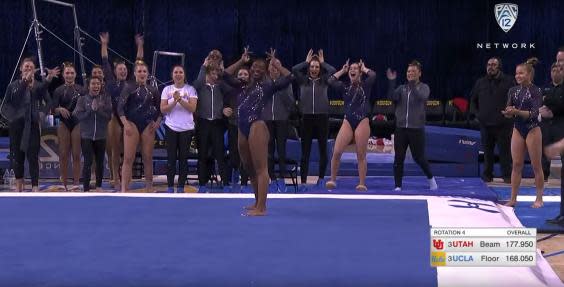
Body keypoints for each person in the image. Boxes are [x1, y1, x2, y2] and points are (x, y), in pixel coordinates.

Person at [224, 47, 292, 216]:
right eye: (253, 67)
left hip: (257, 126)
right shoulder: (241, 85)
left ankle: (262, 207)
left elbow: (291, 77)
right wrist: (241, 61)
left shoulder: (268, 86)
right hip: (242, 127)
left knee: (261, 168)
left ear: (265, 71)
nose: (256, 70)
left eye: (261, 68)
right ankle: (256, 203)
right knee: (249, 168)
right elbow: (224, 74)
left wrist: (276, 63)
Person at [2, 58, 59, 192]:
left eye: (31, 67)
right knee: (17, 156)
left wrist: (42, 114)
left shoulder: (39, 86)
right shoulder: (13, 86)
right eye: (26, 66)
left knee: (33, 156)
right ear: (20, 69)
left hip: (32, 124)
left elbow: (49, 102)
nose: (28, 68)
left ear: (34, 70)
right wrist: (24, 82)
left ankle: (35, 186)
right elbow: (9, 103)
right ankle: (19, 186)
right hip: (17, 126)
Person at [100, 32, 144, 189]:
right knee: (114, 150)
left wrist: (140, 46)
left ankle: (128, 176)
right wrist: (104, 44)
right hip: (114, 118)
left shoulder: (131, 83)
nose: (123, 71)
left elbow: (139, 62)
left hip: (128, 118)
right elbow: (105, 62)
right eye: (120, 69)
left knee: (128, 151)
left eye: (125, 69)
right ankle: (114, 177)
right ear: (115, 70)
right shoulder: (111, 81)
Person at [326, 60, 376, 191]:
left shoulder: (365, 85)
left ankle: (361, 183)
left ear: (359, 73)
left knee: (360, 154)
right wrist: (342, 70)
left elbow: (373, 75)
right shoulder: (345, 87)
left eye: (355, 69)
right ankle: (332, 179)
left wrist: (364, 68)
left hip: (362, 121)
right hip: (348, 121)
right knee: (336, 152)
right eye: (351, 69)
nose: (352, 70)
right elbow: (330, 81)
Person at [388, 61, 438, 191]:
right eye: (408, 71)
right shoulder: (401, 88)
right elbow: (392, 97)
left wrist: (412, 86)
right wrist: (392, 82)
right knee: (398, 158)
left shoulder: (424, 87)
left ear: (419, 73)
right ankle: (398, 186)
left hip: (416, 129)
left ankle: (431, 179)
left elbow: (421, 97)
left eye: (413, 71)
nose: (410, 73)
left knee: (419, 157)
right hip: (401, 129)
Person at [292, 49, 336, 191]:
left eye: (317, 67)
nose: (314, 69)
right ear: (309, 68)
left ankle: (321, 179)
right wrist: (305, 62)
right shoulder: (302, 80)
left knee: (323, 150)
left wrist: (323, 63)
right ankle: (303, 181)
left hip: (322, 118)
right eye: (312, 66)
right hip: (306, 118)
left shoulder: (325, 80)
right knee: (305, 152)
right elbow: (294, 69)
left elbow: (333, 70)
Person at [502, 58, 544, 208]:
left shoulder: (536, 91)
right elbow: (509, 109)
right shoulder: (513, 90)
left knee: (536, 165)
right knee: (517, 164)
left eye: (521, 73)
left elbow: (533, 114)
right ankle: (513, 198)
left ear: (529, 74)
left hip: (532, 128)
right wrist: (508, 112)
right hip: (518, 128)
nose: (517, 76)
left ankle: (539, 198)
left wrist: (516, 111)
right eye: (516, 74)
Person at [117, 61, 161, 193]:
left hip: (148, 125)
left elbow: (160, 109)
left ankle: (149, 186)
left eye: (144, 71)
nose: (142, 74)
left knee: (147, 157)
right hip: (132, 124)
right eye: (139, 71)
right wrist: (126, 124)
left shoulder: (153, 90)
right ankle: (124, 188)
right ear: (135, 73)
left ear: (147, 74)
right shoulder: (129, 88)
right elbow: (120, 108)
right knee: (128, 157)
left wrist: (157, 122)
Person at [470, 57, 515, 183]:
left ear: (499, 66)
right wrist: (478, 115)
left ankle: (507, 176)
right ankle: (487, 175)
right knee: (487, 152)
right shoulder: (480, 82)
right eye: (489, 64)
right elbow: (473, 100)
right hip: (485, 124)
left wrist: (511, 113)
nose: (491, 67)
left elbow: (516, 99)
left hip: (503, 124)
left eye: (494, 65)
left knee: (505, 152)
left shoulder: (509, 81)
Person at [193, 52, 230, 191]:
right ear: (207, 74)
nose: (215, 76)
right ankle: (202, 184)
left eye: (216, 74)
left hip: (217, 124)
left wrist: (223, 71)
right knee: (202, 155)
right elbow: (195, 85)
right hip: (203, 123)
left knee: (220, 155)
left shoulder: (221, 86)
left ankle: (225, 183)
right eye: (212, 74)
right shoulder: (201, 86)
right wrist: (203, 67)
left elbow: (232, 91)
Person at [160, 65, 198, 192]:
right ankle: (170, 186)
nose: (178, 74)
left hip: (186, 129)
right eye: (175, 72)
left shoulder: (190, 89)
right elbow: (163, 109)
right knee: (171, 158)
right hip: (171, 127)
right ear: (172, 75)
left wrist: (180, 99)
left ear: (184, 75)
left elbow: (192, 108)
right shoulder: (167, 89)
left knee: (183, 159)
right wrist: (174, 101)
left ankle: (181, 186)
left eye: (180, 72)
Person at [73, 76, 112, 192]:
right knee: (88, 161)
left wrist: (98, 110)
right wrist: (90, 110)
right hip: (86, 136)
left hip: (101, 135)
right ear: (88, 86)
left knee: (100, 161)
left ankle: (99, 186)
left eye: (98, 84)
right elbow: (78, 116)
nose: (96, 86)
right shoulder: (82, 100)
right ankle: (85, 188)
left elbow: (109, 117)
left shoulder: (106, 99)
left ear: (101, 86)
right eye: (93, 84)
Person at [263, 60, 295, 192]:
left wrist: (279, 88)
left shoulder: (285, 83)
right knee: (268, 152)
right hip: (267, 120)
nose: (275, 68)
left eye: (277, 65)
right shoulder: (264, 82)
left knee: (281, 151)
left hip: (282, 120)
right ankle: (272, 179)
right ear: (268, 68)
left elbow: (291, 102)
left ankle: (282, 179)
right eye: (272, 65)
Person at [51, 62, 83, 191]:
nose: (69, 75)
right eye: (67, 73)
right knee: (63, 154)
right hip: (64, 123)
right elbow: (52, 108)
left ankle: (75, 183)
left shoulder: (81, 89)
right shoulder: (58, 90)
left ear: (75, 75)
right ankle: (63, 183)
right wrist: (59, 109)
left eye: (72, 73)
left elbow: (86, 106)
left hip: (77, 123)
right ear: (63, 75)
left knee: (76, 154)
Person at [223, 66, 250, 189]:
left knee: (245, 154)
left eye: (245, 74)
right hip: (233, 125)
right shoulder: (230, 91)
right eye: (240, 74)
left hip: (248, 127)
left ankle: (244, 182)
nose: (243, 76)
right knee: (234, 154)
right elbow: (225, 106)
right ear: (236, 76)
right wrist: (224, 110)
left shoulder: (254, 90)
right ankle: (234, 174)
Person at [540, 62, 564, 180]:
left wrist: (548, 101)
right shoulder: (545, 88)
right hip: (546, 125)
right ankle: (543, 177)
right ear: (550, 73)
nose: (556, 72)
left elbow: (561, 104)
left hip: (561, 125)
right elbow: (539, 102)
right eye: (553, 70)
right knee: (544, 153)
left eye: (559, 70)